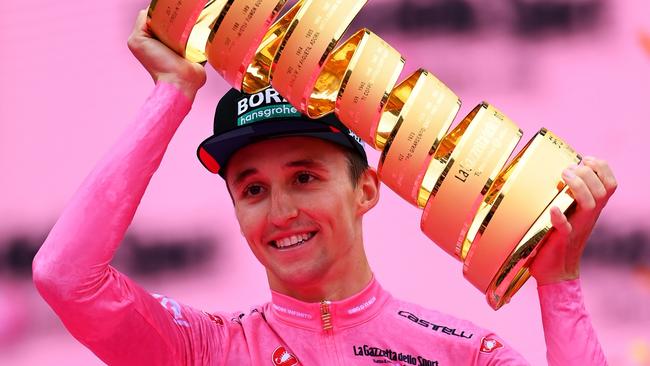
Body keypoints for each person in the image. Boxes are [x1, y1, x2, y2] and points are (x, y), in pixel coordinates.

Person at [32, 9, 617, 366]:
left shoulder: (459, 354)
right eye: (252, 189)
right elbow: (65, 277)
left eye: (304, 177)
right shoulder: (201, 352)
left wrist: (557, 284)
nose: (281, 210)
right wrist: (172, 92)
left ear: (366, 189)